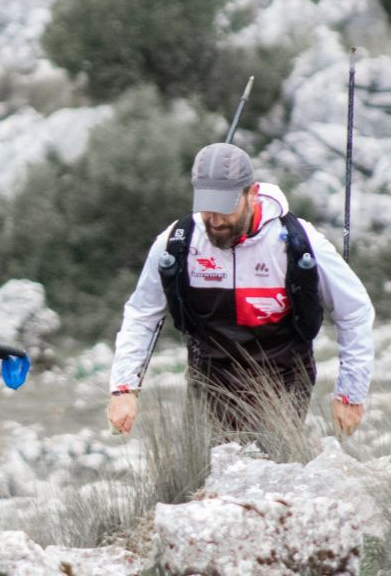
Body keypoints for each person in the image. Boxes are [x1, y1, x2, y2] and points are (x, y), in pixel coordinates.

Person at [108, 142, 374, 438]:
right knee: (205, 478)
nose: (216, 219)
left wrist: (350, 393)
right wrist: (123, 388)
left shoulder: (300, 243)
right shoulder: (178, 242)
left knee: (270, 473)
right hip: (208, 378)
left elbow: (355, 311)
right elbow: (142, 314)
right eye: (207, 207)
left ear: (253, 194)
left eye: (226, 207)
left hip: (283, 380)